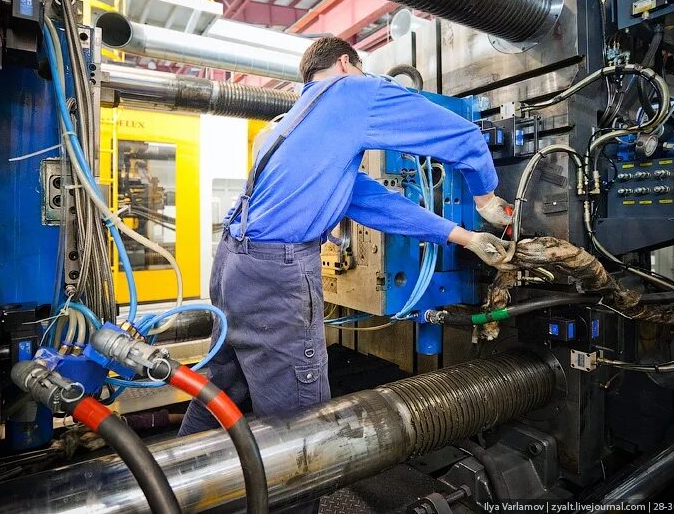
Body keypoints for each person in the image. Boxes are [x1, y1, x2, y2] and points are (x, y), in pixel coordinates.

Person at [178, 36, 513, 476]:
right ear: (344, 63)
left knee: (224, 384)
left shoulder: (282, 124)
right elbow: (463, 134)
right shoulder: (353, 91)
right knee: (301, 425)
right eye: (361, 70)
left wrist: (462, 237)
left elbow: (367, 199)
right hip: (277, 275)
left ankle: (180, 478)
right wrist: (487, 199)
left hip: (232, 267)